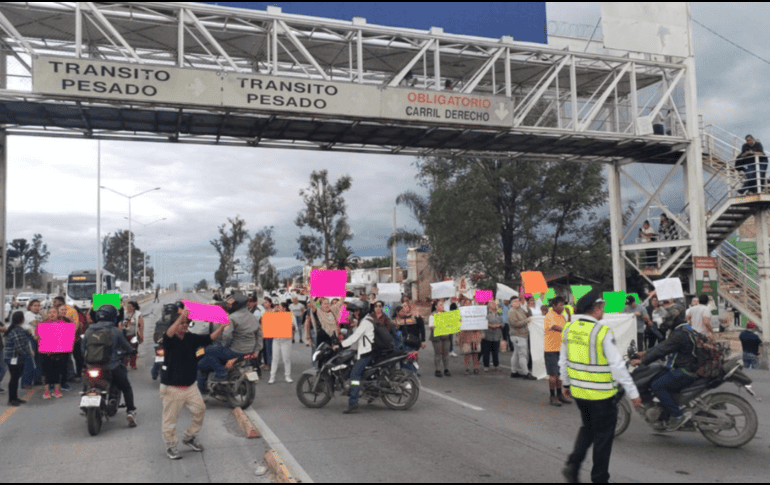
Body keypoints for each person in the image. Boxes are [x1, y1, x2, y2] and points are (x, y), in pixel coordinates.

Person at [561, 291, 641, 484]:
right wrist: (633, 392)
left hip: (579, 392)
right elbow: (617, 366)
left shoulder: (569, 329)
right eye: (602, 306)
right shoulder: (602, 332)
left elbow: (563, 360)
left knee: (587, 428)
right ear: (596, 308)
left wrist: (565, 383)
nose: (603, 310)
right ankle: (599, 479)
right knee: (603, 439)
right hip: (602, 395)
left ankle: (573, 465)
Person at [161, 307, 228, 460]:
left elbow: (209, 339)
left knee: (200, 410)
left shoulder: (190, 338)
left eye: (186, 324)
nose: (184, 326)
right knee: (170, 420)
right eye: (181, 324)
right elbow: (168, 334)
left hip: (190, 386)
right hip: (172, 388)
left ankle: (190, 437)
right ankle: (171, 446)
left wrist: (222, 327)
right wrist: (181, 317)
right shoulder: (169, 340)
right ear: (175, 324)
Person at [629, 319, 703, 431]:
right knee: (659, 378)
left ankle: (677, 416)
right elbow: (664, 345)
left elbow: (662, 350)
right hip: (689, 367)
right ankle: (665, 413)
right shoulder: (687, 330)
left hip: (686, 370)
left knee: (657, 385)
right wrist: (644, 353)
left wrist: (642, 361)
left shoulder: (680, 334)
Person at [82, 304, 138, 428]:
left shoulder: (89, 330)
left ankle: (86, 404)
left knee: (87, 385)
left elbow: (82, 349)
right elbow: (126, 346)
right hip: (112, 366)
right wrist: (132, 351)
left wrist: (87, 362)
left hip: (92, 366)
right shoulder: (115, 331)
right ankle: (131, 411)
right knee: (126, 387)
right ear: (113, 316)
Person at [335, 305, 375, 414]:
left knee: (354, 375)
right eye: (354, 312)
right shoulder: (364, 320)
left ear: (363, 311)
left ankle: (353, 402)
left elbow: (355, 336)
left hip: (366, 353)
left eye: (357, 311)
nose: (355, 314)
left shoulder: (365, 322)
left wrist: (341, 345)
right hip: (363, 351)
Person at [545, 296, 571, 406]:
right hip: (551, 349)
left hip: (561, 348)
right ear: (554, 305)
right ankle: (552, 396)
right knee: (553, 375)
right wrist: (567, 329)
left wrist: (569, 315)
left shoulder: (561, 316)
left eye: (563, 304)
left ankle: (560, 394)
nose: (562, 307)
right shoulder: (549, 315)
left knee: (560, 374)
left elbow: (567, 325)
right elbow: (555, 327)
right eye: (560, 305)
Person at [39, 308, 69, 399]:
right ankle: (46, 392)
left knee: (58, 372)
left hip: (59, 353)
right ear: (47, 314)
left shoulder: (63, 323)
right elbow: (37, 337)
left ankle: (57, 391)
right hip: (46, 353)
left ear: (58, 314)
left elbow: (68, 336)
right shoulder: (42, 324)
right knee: (46, 372)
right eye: (50, 312)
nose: (52, 314)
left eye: (54, 312)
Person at [4, 311, 32, 406]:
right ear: (21, 319)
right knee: (14, 378)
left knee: (15, 378)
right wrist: (27, 354)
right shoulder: (17, 330)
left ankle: (15, 397)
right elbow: (19, 346)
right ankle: (11, 399)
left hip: (12, 357)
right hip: (14, 357)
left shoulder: (14, 328)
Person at [508, 296, 536, 380]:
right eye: (515, 301)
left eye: (518, 301)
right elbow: (514, 324)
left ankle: (514, 372)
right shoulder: (512, 311)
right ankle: (526, 373)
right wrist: (526, 321)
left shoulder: (520, 310)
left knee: (516, 353)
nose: (517, 302)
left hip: (520, 335)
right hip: (518, 335)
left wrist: (528, 309)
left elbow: (529, 316)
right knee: (523, 354)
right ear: (511, 303)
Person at [269, 302, 293, 384]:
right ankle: (272, 377)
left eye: (280, 307)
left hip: (286, 340)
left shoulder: (290, 315)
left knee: (286, 358)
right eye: (277, 307)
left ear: (284, 308)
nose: (278, 308)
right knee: (275, 358)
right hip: (276, 340)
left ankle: (288, 376)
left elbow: (294, 326)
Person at [457, 300, 482, 375]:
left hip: (475, 335)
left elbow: (479, 322)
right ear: (463, 304)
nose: (468, 304)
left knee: (475, 353)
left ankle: (475, 367)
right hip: (466, 336)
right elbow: (458, 325)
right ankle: (467, 368)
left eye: (469, 303)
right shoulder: (460, 314)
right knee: (467, 353)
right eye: (466, 303)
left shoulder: (474, 313)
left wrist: (477, 327)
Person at [428, 299, 451, 378]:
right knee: (438, 353)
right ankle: (437, 369)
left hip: (446, 336)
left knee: (446, 353)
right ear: (436, 306)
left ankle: (446, 369)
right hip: (437, 337)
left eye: (442, 305)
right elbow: (431, 327)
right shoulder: (433, 315)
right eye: (440, 305)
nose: (442, 306)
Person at [121, 301, 144, 370]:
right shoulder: (124, 314)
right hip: (124, 335)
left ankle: (133, 365)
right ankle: (124, 364)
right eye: (128, 306)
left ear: (134, 307)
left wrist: (141, 336)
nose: (128, 308)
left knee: (133, 350)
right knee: (125, 350)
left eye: (130, 306)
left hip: (134, 335)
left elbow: (141, 325)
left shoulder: (138, 314)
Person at [481, 300, 503, 372]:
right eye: (493, 304)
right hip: (487, 335)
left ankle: (496, 365)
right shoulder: (486, 313)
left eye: (495, 304)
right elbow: (482, 322)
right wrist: (490, 325)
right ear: (489, 306)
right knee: (486, 351)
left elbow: (503, 323)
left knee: (495, 352)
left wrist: (498, 325)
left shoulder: (499, 313)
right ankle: (486, 366)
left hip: (496, 335)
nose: (494, 305)